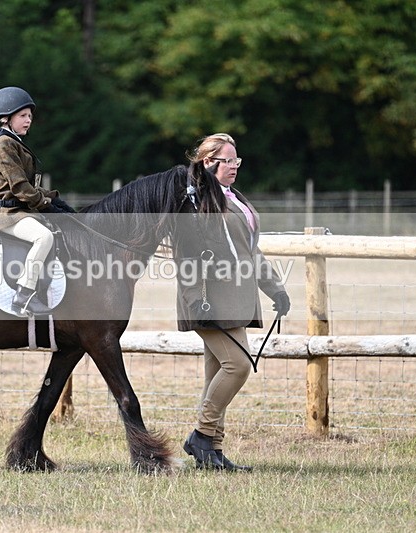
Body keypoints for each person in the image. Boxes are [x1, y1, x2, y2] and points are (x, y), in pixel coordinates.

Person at [174, 133, 291, 471]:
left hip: (234, 297)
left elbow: (248, 250)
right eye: (227, 161)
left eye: (236, 161)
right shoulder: (196, 203)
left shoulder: (233, 197)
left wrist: (276, 289)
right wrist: (196, 300)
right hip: (209, 299)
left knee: (217, 376)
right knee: (237, 366)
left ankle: (212, 452)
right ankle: (200, 436)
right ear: (209, 163)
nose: (234, 167)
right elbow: (189, 254)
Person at [0, 86, 65, 317]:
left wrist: (55, 200)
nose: (28, 121)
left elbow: (29, 187)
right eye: (23, 116)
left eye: (30, 117)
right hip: (8, 214)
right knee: (43, 237)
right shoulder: (5, 144)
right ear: (5, 118)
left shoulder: (13, 142)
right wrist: (45, 205)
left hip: (20, 210)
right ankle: (24, 296)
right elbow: (20, 187)